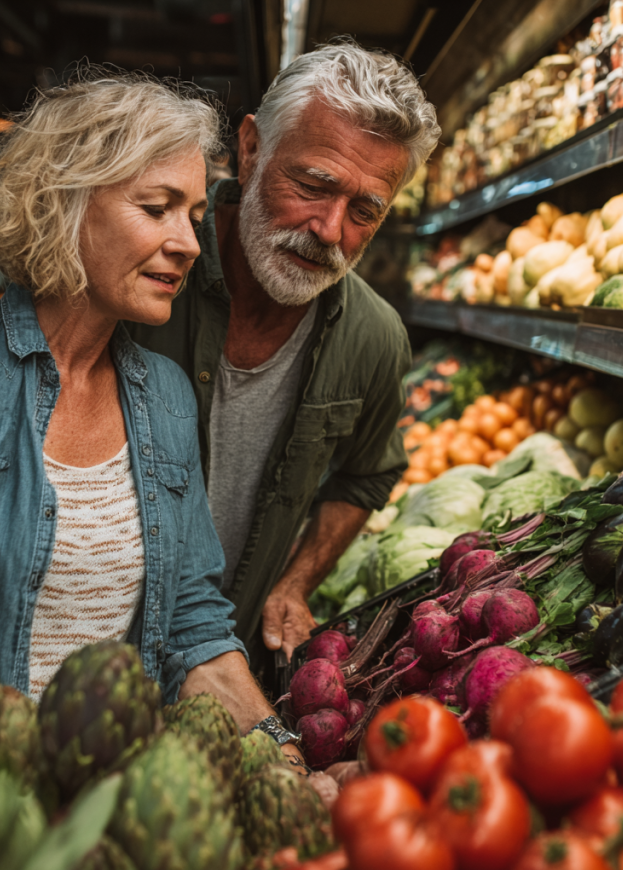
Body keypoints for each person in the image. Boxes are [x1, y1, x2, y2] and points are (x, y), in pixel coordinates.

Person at [0, 70, 313, 829]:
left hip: (86, 826)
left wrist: (282, 756)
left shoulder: (164, 399)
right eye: (156, 209)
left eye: (191, 213)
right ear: (65, 204)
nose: (186, 242)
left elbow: (190, 626)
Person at [127, 40, 441, 669]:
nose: (329, 230)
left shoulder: (374, 340)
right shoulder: (142, 275)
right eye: (312, 185)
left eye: (365, 210)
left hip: (229, 672)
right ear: (249, 149)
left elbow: (368, 473)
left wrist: (297, 579)